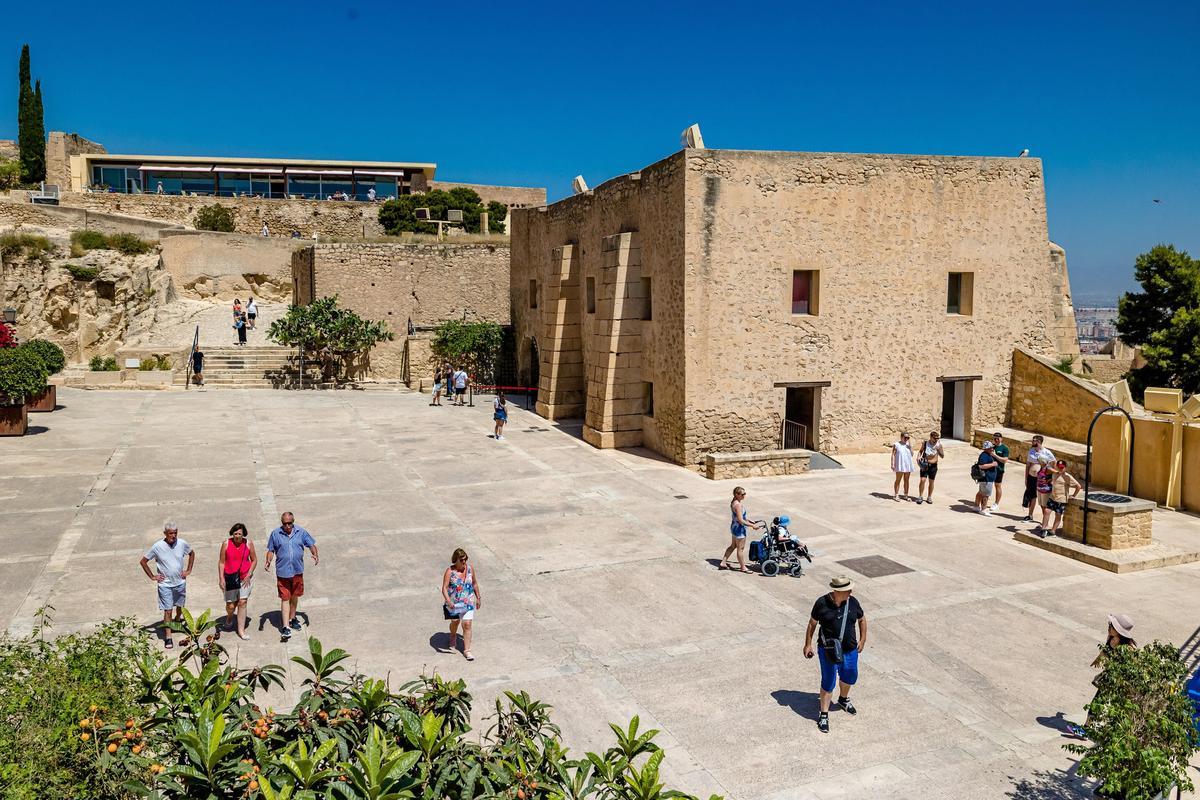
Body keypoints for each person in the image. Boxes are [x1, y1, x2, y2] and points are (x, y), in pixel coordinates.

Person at [804, 576, 867, 734]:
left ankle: (843, 699)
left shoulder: (853, 602)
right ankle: (824, 714)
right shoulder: (822, 603)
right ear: (838, 591)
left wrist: (863, 639)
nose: (851, 592)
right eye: (848, 590)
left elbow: (862, 619)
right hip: (828, 650)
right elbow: (812, 623)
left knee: (850, 675)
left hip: (850, 649)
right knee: (828, 681)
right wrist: (807, 644)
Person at [1067, 614, 1137, 736]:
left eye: (1111, 626)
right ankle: (1086, 729)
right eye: (1109, 625)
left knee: (1118, 706)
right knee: (1098, 702)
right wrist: (1097, 660)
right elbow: (1105, 650)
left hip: (1120, 680)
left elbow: (1134, 665)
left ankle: (1119, 733)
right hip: (1109, 677)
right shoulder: (1111, 638)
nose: (1109, 627)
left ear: (1119, 631)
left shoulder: (1128, 648)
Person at [264, 512, 319, 639]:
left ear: (293, 521)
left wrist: (315, 554)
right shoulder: (275, 534)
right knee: (285, 598)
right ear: (282, 523)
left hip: (297, 571)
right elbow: (271, 550)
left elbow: (311, 544)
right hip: (283, 572)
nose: (287, 526)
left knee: (294, 596)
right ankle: (285, 626)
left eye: (290, 523)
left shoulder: (301, 532)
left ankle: (293, 618)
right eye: (284, 524)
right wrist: (268, 561)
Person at [139, 523, 194, 649]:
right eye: (171, 533)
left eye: (175, 533)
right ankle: (168, 636)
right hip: (165, 585)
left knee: (180, 606)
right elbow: (143, 561)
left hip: (180, 582)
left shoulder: (182, 543)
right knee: (168, 609)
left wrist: (188, 570)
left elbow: (192, 553)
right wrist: (153, 576)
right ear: (165, 534)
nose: (173, 536)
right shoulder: (157, 546)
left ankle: (178, 620)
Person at [218, 523, 257, 640]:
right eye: (235, 534)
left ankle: (241, 630)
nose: (237, 536)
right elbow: (221, 562)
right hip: (230, 577)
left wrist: (249, 574)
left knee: (242, 602)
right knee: (230, 605)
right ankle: (230, 617)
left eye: (239, 534)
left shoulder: (248, 544)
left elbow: (254, 560)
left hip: (245, 578)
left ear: (243, 534)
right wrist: (221, 578)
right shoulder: (226, 544)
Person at [441, 548, 482, 660]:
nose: (464, 562)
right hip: (454, 603)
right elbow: (444, 588)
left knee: (467, 624)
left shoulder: (470, 569)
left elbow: (474, 584)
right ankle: (453, 635)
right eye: (462, 560)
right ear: (456, 560)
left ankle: (467, 650)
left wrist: (478, 597)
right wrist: (448, 601)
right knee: (455, 622)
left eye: (465, 559)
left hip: (468, 601)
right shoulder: (450, 571)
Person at [720, 486, 764, 573]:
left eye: (745, 493)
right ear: (737, 494)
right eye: (743, 494)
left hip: (734, 527)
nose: (744, 495)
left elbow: (739, 517)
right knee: (740, 549)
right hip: (739, 529)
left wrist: (748, 519)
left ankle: (723, 562)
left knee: (733, 546)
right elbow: (740, 520)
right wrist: (752, 526)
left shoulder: (734, 502)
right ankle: (743, 567)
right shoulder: (738, 505)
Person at [1037, 459, 1082, 537]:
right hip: (1052, 497)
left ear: (1065, 467)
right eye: (1059, 467)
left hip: (1061, 500)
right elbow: (1054, 480)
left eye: (1062, 467)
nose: (1060, 469)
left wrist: (1073, 495)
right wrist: (1050, 481)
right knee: (1047, 511)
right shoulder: (1055, 474)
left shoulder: (1068, 477)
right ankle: (1043, 529)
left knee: (1058, 515)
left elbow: (1078, 486)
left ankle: (1053, 531)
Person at [1022, 435, 1055, 522]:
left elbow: (1053, 462)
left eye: (1034, 441)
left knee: (1042, 499)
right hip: (1031, 477)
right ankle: (1030, 515)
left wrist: (1049, 475)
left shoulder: (1046, 452)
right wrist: (1026, 478)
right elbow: (1028, 465)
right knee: (1031, 495)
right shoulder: (1031, 451)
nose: (1032, 442)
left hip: (1041, 479)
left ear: (1039, 442)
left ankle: (1044, 520)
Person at [915, 431, 945, 505]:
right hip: (925, 464)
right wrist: (918, 457)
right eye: (935, 438)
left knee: (931, 482)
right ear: (931, 437)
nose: (936, 440)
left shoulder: (939, 445)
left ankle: (929, 497)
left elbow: (942, 456)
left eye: (937, 438)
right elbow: (921, 451)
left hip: (933, 466)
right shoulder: (925, 443)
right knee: (922, 480)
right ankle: (920, 496)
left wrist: (938, 449)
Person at [889, 432, 916, 501]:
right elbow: (893, 455)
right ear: (901, 437)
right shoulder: (896, 445)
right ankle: (896, 495)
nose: (906, 439)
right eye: (905, 437)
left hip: (907, 465)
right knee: (898, 480)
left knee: (906, 480)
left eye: (908, 438)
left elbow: (912, 454)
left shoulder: (908, 445)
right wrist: (892, 464)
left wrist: (910, 446)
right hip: (900, 465)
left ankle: (906, 495)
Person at [974, 440, 998, 515]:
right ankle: (983, 509)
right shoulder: (984, 455)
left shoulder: (988, 454)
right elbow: (981, 466)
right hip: (986, 479)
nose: (992, 449)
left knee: (981, 493)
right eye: (991, 448)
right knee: (986, 495)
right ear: (987, 448)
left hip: (986, 478)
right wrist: (993, 464)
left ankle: (976, 507)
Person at [989, 432, 1011, 511]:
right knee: (987, 484)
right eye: (994, 438)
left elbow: (1004, 460)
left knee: (997, 486)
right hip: (990, 469)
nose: (996, 440)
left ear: (1001, 438)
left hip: (999, 470)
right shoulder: (992, 447)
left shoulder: (1004, 448)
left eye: (998, 438)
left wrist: (994, 455)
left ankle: (996, 503)